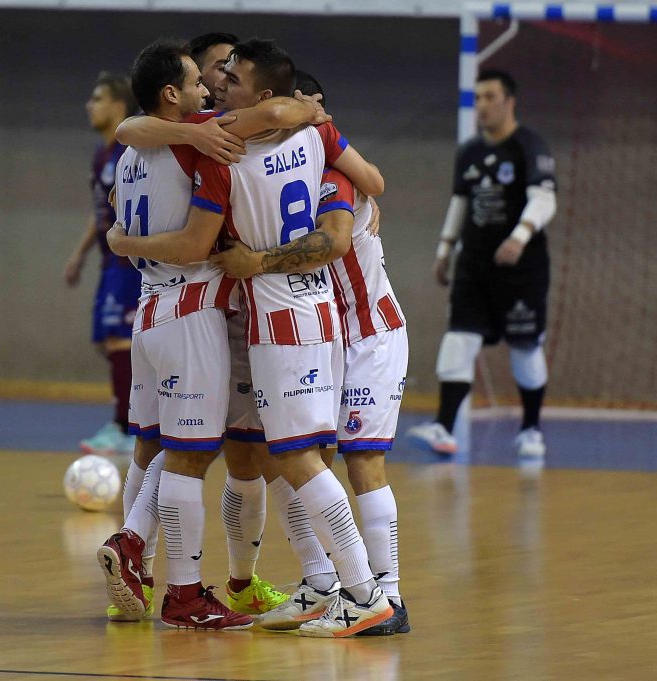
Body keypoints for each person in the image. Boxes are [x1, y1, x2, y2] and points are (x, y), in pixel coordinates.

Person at [108, 38, 393, 638]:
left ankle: (365, 592)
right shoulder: (311, 135)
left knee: (261, 455)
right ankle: (325, 584)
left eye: (229, 78)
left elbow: (138, 147)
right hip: (301, 313)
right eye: (208, 76)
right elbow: (368, 176)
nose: (215, 86)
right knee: (247, 453)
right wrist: (309, 112)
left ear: (259, 95)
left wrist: (123, 241)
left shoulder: (217, 150)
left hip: (259, 315)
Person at [210, 71, 410, 635]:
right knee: (293, 456)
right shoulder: (295, 164)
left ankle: (386, 596)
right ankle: (325, 584)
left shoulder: (332, 172)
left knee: (362, 460)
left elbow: (338, 238)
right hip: (328, 332)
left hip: (368, 332)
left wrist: (255, 262)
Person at [407, 68, 556, 459]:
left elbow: (545, 199)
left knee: (525, 348)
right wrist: (445, 249)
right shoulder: (469, 151)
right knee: (458, 340)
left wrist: (519, 236)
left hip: (522, 271)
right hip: (473, 266)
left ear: (509, 102)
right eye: (478, 98)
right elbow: (460, 201)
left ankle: (531, 430)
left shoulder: (529, 145)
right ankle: (444, 428)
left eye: (491, 97)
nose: (483, 105)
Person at [64, 72, 141, 457]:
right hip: (108, 260)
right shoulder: (101, 154)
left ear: (118, 105)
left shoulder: (131, 152)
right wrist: (80, 253)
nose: (89, 106)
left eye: (97, 99)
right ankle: (127, 417)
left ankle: (127, 427)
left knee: (121, 339)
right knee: (108, 341)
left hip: (129, 262)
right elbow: (99, 215)